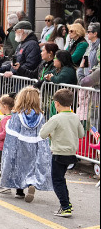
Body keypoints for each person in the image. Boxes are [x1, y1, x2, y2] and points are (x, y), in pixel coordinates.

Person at [0, 86, 51, 202]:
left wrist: (9, 153)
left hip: (20, 146)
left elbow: (11, 134)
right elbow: (42, 134)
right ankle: (31, 183)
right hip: (35, 146)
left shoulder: (17, 116)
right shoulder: (40, 116)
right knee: (31, 166)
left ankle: (19, 191)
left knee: (19, 167)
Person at [39, 89, 85, 218]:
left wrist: (50, 133)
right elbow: (81, 134)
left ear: (56, 103)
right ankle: (66, 204)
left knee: (57, 180)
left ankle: (65, 206)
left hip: (59, 152)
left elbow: (42, 134)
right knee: (61, 179)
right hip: (71, 153)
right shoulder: (75, 117)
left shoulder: (56, 118)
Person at [0, 93, 14, 183]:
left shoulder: (5, 119)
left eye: (0, 106)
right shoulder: (14, 117)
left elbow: (4, 133)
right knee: (7, 165)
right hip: (10, 146)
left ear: (5, 106)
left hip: (2, 146)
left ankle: (5, 180)